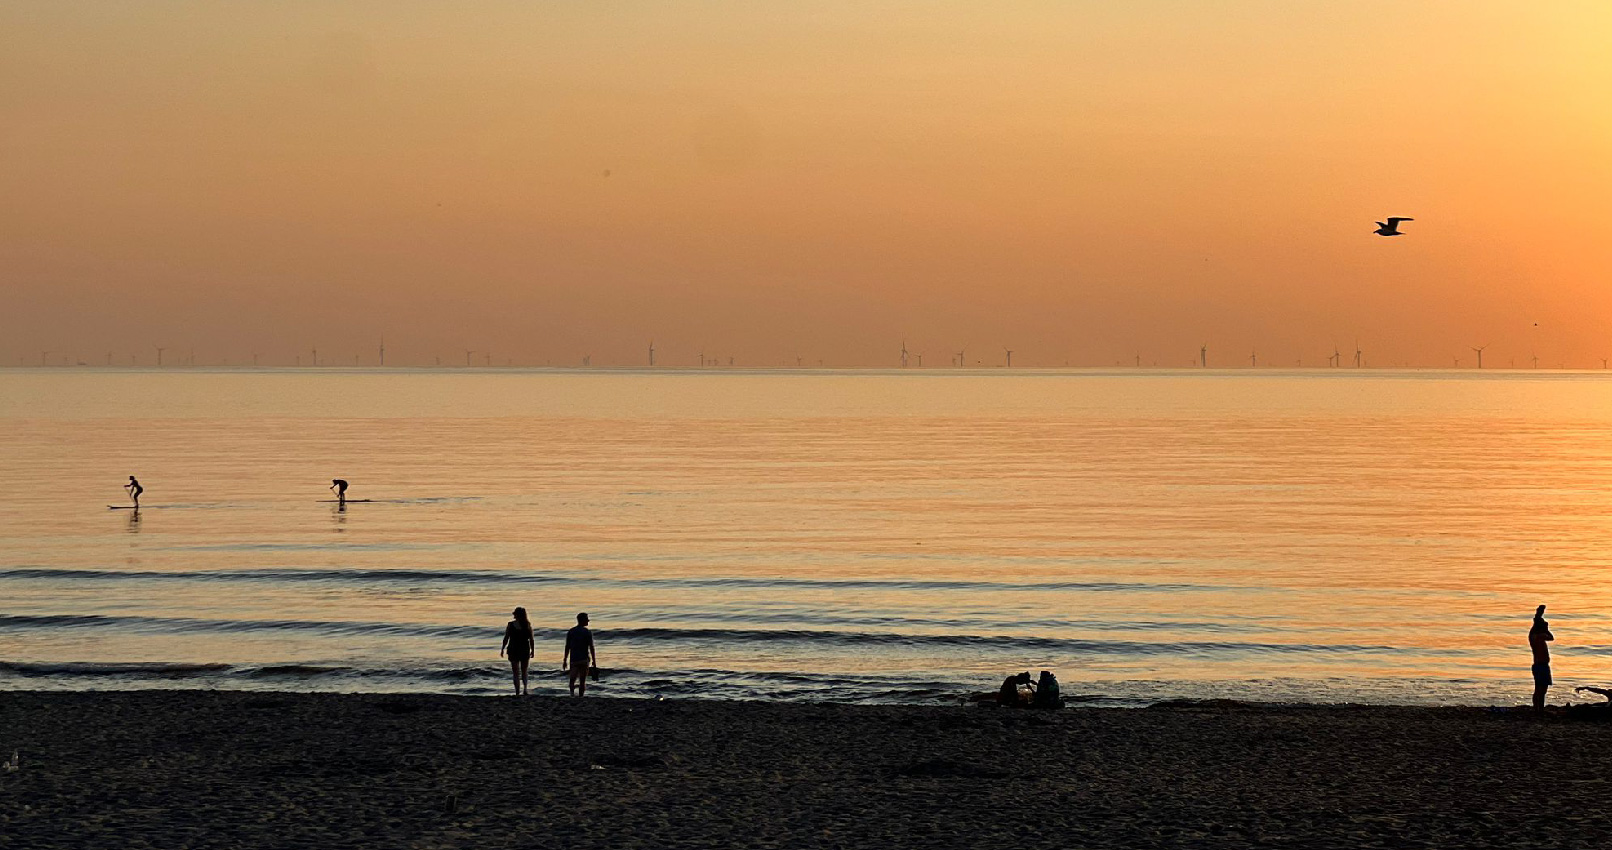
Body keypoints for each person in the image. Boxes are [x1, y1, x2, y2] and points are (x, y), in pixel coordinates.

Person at [500, 607, 534, 696]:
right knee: (524, 671)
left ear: (517, 615)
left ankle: (517, 692)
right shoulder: (527, 625)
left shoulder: (511, 625)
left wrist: (502, 648)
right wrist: (532, 650)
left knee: (515, 672)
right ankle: (525, 689)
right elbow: (531, 639)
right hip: (524, 649)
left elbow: (506, 637)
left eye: (514, 613)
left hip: (513, 649)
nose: (513, 615)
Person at [563, 613, 596, 697]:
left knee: (572, 679)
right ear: (583, 620)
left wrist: (565, 659)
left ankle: (572, 694)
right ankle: (581, 696)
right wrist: (594, 660)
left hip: (574, 659)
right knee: (582, 680)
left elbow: (567, 646)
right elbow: (591, 647)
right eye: (586, 619)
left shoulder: (571, 631)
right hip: (584, 659)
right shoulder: (587, 632)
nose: (588, 621)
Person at [1531, 604, 1554, 713]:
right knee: (1540, 689)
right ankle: (1538, 709)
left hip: (1542, 665)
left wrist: (1539, 614)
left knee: (1541, 689)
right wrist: (1546, 628)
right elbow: (1551, 637)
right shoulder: (1537, 635)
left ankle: (1539, 709)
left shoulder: (1537, 635)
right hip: (1540, 665)